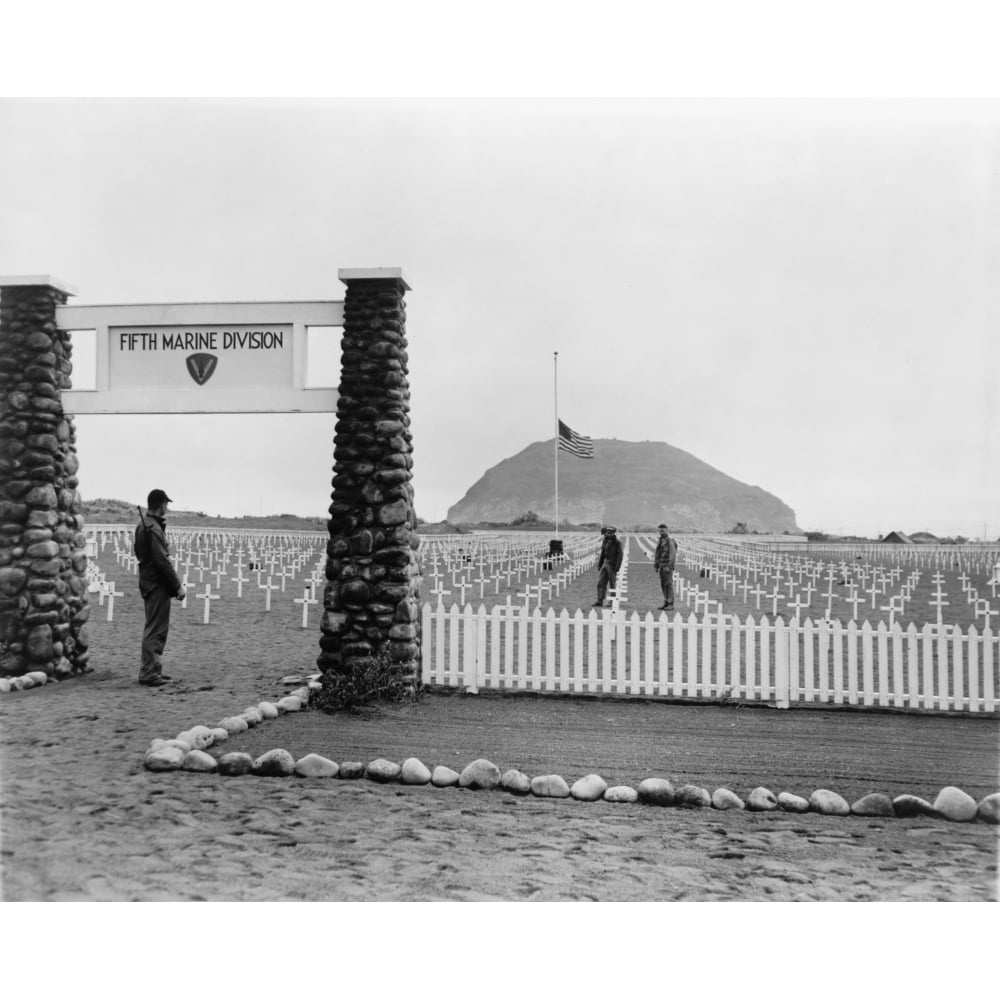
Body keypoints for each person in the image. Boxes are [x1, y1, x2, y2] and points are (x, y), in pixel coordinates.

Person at [134, 488, 186, 686]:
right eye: (166, 504)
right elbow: (161, 560)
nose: (167, 507)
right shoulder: (153, 528)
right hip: (156, 583)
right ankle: (148, 672)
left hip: (149, 581)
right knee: (155, 628)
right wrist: (177, 586)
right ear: (161, 504)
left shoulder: (144, 525)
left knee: (157, 627)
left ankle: (154, 669)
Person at [593, 525, 623, 607]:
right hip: (605, 563)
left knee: (612, 584)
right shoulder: (605, 541)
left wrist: (617, 567)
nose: (608, 534)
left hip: (612, 565)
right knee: (601, 582)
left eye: (610, 533)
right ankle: (600, 600)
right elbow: (603, 553)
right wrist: (600, 564)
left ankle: (612, 601)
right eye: (607, 533)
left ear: (613, 533)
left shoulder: (617, 542)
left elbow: (620, 555)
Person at [653, 523, 677, 611]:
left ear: (667, 530)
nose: (661, 532)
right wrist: (656, 564)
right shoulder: (660, 541)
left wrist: (670, 566)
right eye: (660, 530)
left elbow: (672, 555)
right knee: (663, 585)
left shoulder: (670, 541)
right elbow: (657, 554)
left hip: (667, 567)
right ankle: (666, 602)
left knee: (668, 585)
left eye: (663, 530)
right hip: (661, 566)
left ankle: (670, 604)